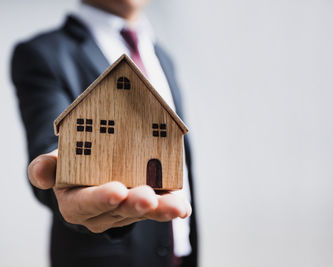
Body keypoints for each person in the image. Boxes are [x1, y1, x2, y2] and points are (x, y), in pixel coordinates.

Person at [11, 0, 198, 266]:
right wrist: (64, 177)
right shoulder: (42, 52)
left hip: (180, 254)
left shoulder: (161, 55)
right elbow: (48, 141)